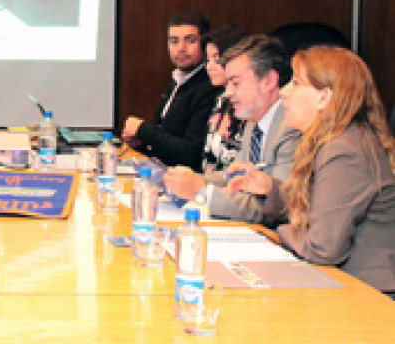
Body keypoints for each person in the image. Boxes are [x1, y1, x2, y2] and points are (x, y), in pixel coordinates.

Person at [230, 46, 395, 296]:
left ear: (324, 98)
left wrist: (277, 234)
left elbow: (322, 249)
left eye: (296, 83)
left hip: (366, 295)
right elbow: (327, 204)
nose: (284, 92)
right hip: (341, 284)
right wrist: (270, 188)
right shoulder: (341, 139)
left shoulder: (343, 151)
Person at [164, 34, 300, 221]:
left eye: (235, 83)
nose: (228, 93)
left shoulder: (291, 128)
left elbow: (278, 209)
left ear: (269, 81)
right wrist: (185, 180)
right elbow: (235, 178)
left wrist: (202, 192)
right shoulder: (254, 120)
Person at [122, 11, 220, 170]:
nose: (181, 48)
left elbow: (192, 153)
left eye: (190, 40)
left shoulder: (210, 87)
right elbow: (164, 144)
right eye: (174, 41)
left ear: (205, 45)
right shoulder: (177, 81)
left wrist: (143, 129)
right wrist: (141, 142)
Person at [201, 25, 250, 172]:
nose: (209, 66)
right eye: (207, 60)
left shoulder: (250, 106)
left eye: (217, 59)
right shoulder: (221, 100)